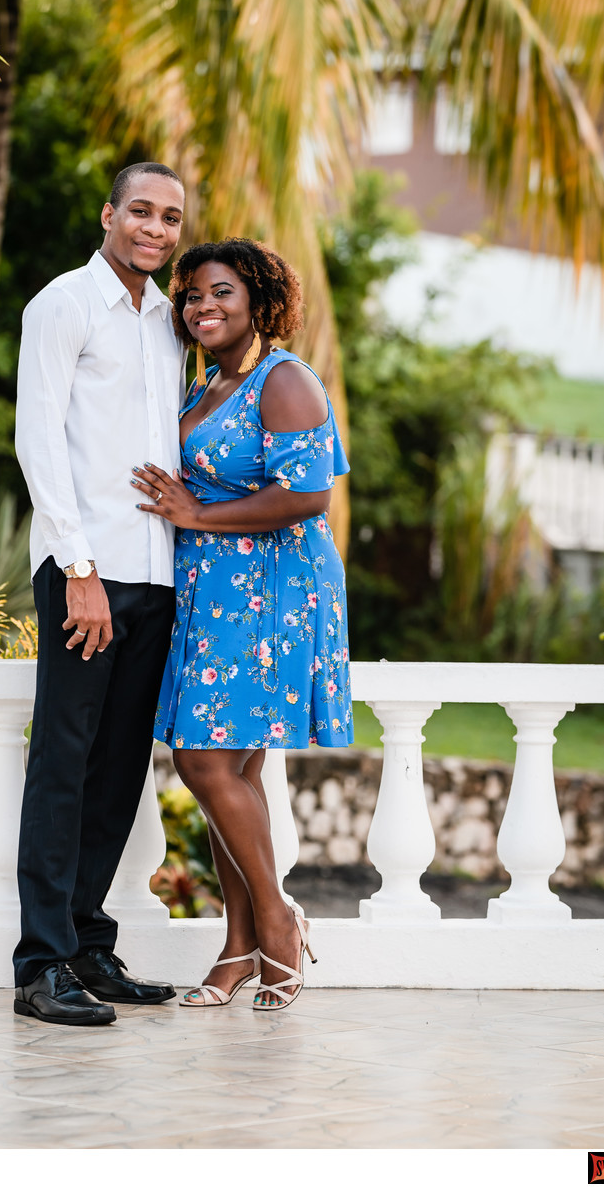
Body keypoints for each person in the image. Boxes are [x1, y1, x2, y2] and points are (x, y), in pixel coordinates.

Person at [131, 237, 353, 1012]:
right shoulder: (204, 389)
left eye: (221, 292)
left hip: (273, 591)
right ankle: (239, 947)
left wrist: (197, 512)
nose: (203, 307)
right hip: (212, 593)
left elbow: (307, 494)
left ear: (258, 299)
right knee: (234, 769)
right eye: (191, 296)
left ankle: (277, 926)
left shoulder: (282, 380)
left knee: (205, 761)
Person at [12, 162, 187, 1026]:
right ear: (109, 213)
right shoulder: (63, 304)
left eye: (172, 217)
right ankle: (40, 963)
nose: (157, 227)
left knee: (119, 769)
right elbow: (37, 439)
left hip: (157, 578)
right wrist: (79, 571)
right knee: (64, 764)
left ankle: (87, 943)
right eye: (143, 211)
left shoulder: (168, 322)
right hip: (90, 574)